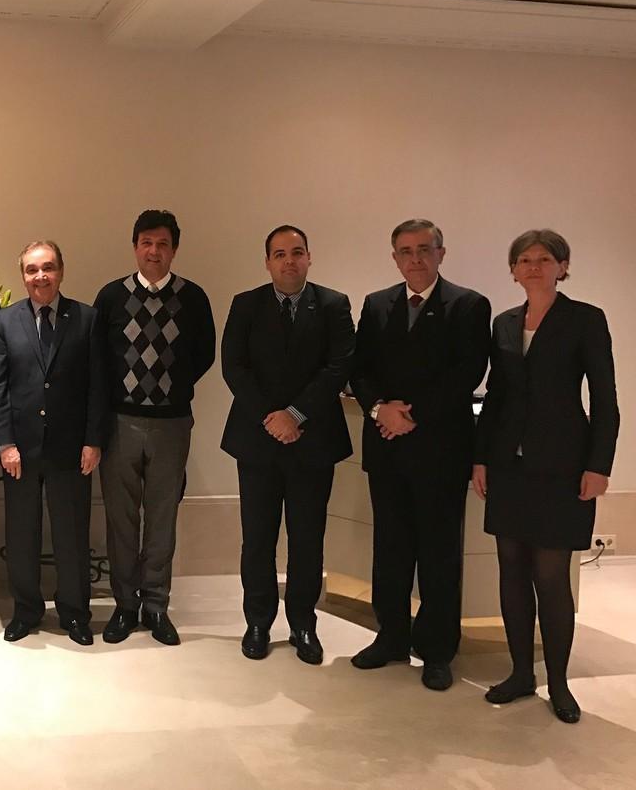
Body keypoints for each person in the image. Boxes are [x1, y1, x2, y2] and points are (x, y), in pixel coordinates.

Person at [472, 229, 619, 723]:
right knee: (511, 571)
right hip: (508, 467)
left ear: (562, 266)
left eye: (543, 259)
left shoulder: (585, 319)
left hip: (563, 467)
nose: (533, 267)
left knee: (552, 578)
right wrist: (480, 458)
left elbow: (605, 398)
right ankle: (519, 674)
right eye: (524, 260)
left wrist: (599, 465)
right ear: (513, 270)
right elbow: (495, 397)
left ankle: (558, 683)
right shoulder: (504, 323)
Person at [350, 219, 490, 691]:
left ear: (441, 254)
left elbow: (468, 372)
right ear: (395, 258)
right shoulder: (376, 304)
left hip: (440, 450)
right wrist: (380, 410)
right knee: (390, 548)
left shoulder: (469, 305)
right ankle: (390, 637)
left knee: (438, 553)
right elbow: (360, 369)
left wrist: (410, 415)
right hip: (386, 448)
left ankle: (436, 649)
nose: (415, 259)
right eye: (406, 251)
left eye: (424, 249)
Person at [220, 225, 354, 664]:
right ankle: (258, 622)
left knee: (307, 539)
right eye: (279, 254)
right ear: (267, 262)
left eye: (297, 252)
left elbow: (338, 366)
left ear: (309, 257)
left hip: (313, 441)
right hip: (257, 441)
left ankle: (303, 624)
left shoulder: (333, 304)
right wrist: (272, 417)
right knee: (257, 539)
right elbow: (234, 367)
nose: (289, 261)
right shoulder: (246, 305)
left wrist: (295, 415)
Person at [93, 210, 215, 646]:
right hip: (119, 423)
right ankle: (125, 606)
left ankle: (157, 606)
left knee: (163, 518)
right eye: (146, 242)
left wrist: (169, 387)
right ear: (135, 247)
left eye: (163, 244)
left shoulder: (193, 298)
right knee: (121, 520)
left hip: (171, 424)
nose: (154, 251)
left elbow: (203, 355)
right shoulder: (111, 297)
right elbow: (98, 359)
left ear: (174, 249)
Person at [0, 241, 108, 646]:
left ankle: (74, 612)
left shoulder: (87, 319)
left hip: (71, 448)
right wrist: (5, 443)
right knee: (21, 534)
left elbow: (98, 386)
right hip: (20, 450)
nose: (41, 276)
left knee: (72, 535)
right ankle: (26, 610)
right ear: (23, 275)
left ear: (61, 271)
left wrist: (93, 440)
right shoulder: (4, 321)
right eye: (32, 270)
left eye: (48, 268)